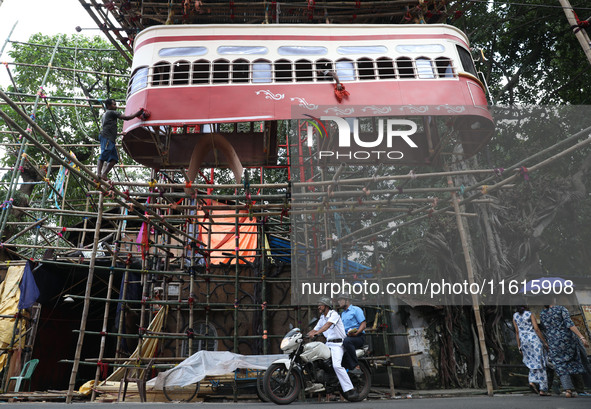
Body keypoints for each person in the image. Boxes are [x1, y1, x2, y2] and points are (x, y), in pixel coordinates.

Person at [307, 297, 359, 401]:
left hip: (338, 344)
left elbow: (327, 325)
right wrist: (305, 335)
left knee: (336, 365)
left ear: (326, 306)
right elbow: (315, 329)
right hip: (328, 344)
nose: (318, 307)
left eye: (320, 305)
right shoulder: (322, 317)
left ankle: (350, 389)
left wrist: (317, 333)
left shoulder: (333, 314)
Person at [540, 304, 590, 398]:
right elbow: (570, 324)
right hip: (567, 340)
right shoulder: (561, 309)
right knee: (574, 362)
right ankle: (580, 389)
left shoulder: (542, 313)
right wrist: (582, 337)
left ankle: (568, 390)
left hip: (553, 342)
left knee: (561, 365)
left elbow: (545, 328)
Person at [97, 99, 144, 180]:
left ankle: (104, 174)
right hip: (106, 137)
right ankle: (98, 173)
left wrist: (120, 134)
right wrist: (138, 113)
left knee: (114, 159)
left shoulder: (106, 115)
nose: (116, 106)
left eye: (116, 104)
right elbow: (126, 118)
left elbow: (108, 128)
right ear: (108, 106)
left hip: (109, 138)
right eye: (114, 104)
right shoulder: (111, 112)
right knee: (104, 154)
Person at [512, 306, 550, 395]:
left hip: (524, 341)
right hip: (533, 340)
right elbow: (536, 329)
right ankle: (543, 389)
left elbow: (517, 332)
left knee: (532, 362)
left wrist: (519, 346)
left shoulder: (515, 316)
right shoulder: (530, 314)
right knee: (540, 363)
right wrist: (544, 342)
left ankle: (532, 380)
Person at [337, 293, 366, 375]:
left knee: (346, 341)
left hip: (358, 337)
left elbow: (363, 324)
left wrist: (356, 333)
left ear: (347, 300)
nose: (339, 302)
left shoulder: (356, 310)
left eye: (340, 300)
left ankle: (356, 366)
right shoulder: (343, 314)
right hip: (348, 337)